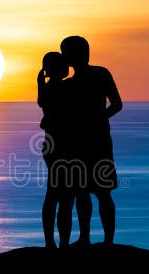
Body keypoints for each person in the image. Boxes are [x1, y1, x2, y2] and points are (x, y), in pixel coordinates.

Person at [59, 35, 122, 245]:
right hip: (79, 143)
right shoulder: (68, 84)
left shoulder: (100, 74)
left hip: (97, 141)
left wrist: (96, 119)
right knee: (82, 192)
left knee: (101, 193)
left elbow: (116, 104)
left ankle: (106, 240)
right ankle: (86, 237)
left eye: (67, 52)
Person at [37, 52, 93, 249]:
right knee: (64, 198)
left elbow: (43, 102)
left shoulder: (47, 89)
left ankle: (54, 242)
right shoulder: (66, 87)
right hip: (65, 147)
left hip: (55, 147)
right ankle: (60, 243)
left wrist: (39, 81)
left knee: (55, 195)